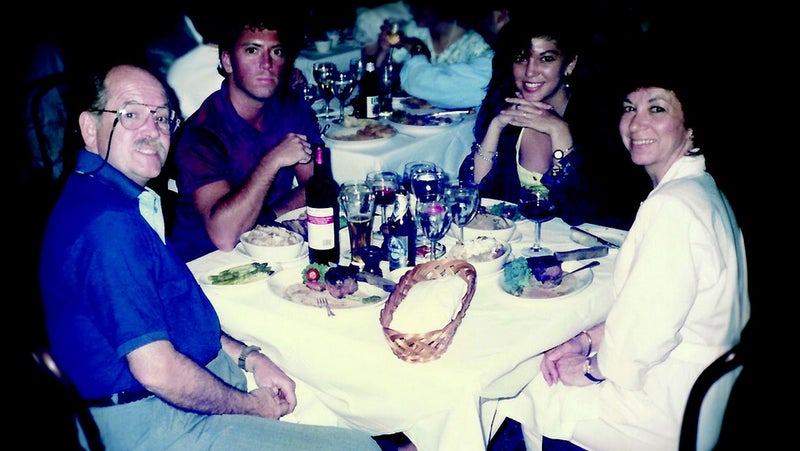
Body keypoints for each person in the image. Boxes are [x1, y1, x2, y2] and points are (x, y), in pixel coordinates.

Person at [38, 62, 381, 450]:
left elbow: (166, 314)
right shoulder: (107, 225)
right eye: (131, 114)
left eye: (163, 118)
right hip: (158, 423)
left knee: (333, 401)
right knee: (360, 446)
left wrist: (247, 356)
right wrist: (251, 407)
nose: (152, 130)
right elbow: (158, 370)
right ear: (89, 128)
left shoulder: (105, 193)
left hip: (180, 390)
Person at [499, 49, 751, 451]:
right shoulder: (701, 188)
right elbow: (658, 312)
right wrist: (584, 340)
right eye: (629, 108)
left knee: (517, 381)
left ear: (690, 125)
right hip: (696, 400)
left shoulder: (674, 208)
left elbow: (640, 343)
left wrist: (590, 368)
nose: (637, 123)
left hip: (661, 413)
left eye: (657, 109)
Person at [458, 15, 649, 229]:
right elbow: (476, 194)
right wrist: (495, 126)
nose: (530, 71)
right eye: (522, 58)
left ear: (570, 64)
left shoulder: (602, 122)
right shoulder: (507, 110)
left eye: (546, 58)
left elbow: (581, 211)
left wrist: (559, 132)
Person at [169, 10, 320, 262]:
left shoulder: (290, 109)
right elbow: (225, 236)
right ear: (228, 61)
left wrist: (268, 217)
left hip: (268, 248)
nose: (267, 64)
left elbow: (317, 187)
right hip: (205, 265)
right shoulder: (201, 135)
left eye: (276, 51)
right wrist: (272, 161)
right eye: (252, 50)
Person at [370, 0, 493, 109]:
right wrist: (385, 50)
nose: (413, 11)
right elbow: (381, 71)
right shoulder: (415, 30)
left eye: (422, 6)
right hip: (412, 114)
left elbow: (478, 95)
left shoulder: (476, 44)